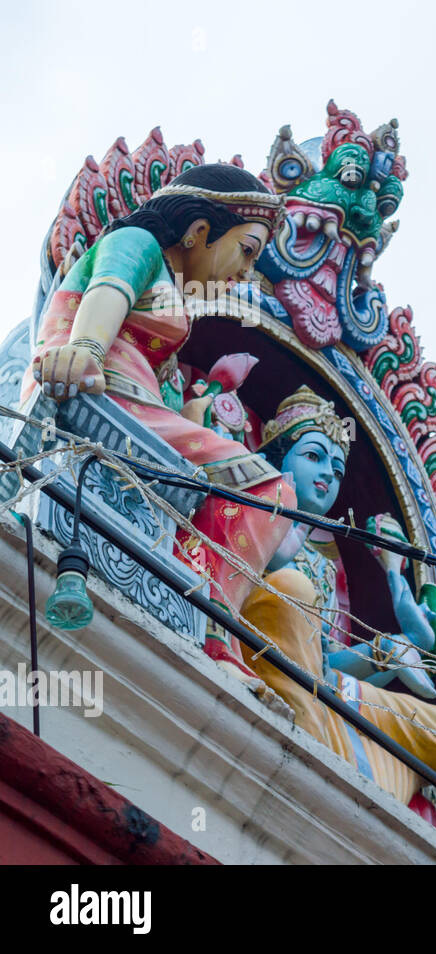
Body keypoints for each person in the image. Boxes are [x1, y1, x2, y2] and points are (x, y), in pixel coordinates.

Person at [22, 164, 295, 682]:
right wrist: (84, 349)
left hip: (133, 408)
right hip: (98, 391)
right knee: (269, 489)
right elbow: (108, 291)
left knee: (245, 489)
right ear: (198, 232)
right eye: (248, 250)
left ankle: (196, 598)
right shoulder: (138, 243)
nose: (245, 272)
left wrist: (191, 416)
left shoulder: (174, 299)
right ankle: (211, 624)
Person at [241, 387, 436, 803]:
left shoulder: (324, 564)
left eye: (337, 470)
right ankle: (339, 751)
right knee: (288, 589)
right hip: (262, 661)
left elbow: (326, 663)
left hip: (323, 687)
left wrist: (397, 639)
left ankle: (350, 750)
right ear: (276, 458)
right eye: (314, 457)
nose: (327, 476)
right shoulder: (251, 508)